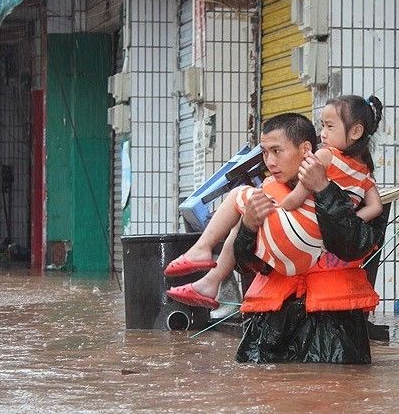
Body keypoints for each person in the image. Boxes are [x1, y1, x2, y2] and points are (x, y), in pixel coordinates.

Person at [163, 96, 383, 307]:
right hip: (303, 261)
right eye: (266, 153)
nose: (270, 162)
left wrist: (298, 200)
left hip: (306, 261)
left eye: (277, 151)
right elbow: (376, 207)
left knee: (243, 194)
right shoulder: (365, 176)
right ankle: (210, 281)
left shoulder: (323, 158)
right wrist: (250, 225)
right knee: (247, 212)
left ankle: (203, 250)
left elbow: (294, 202)